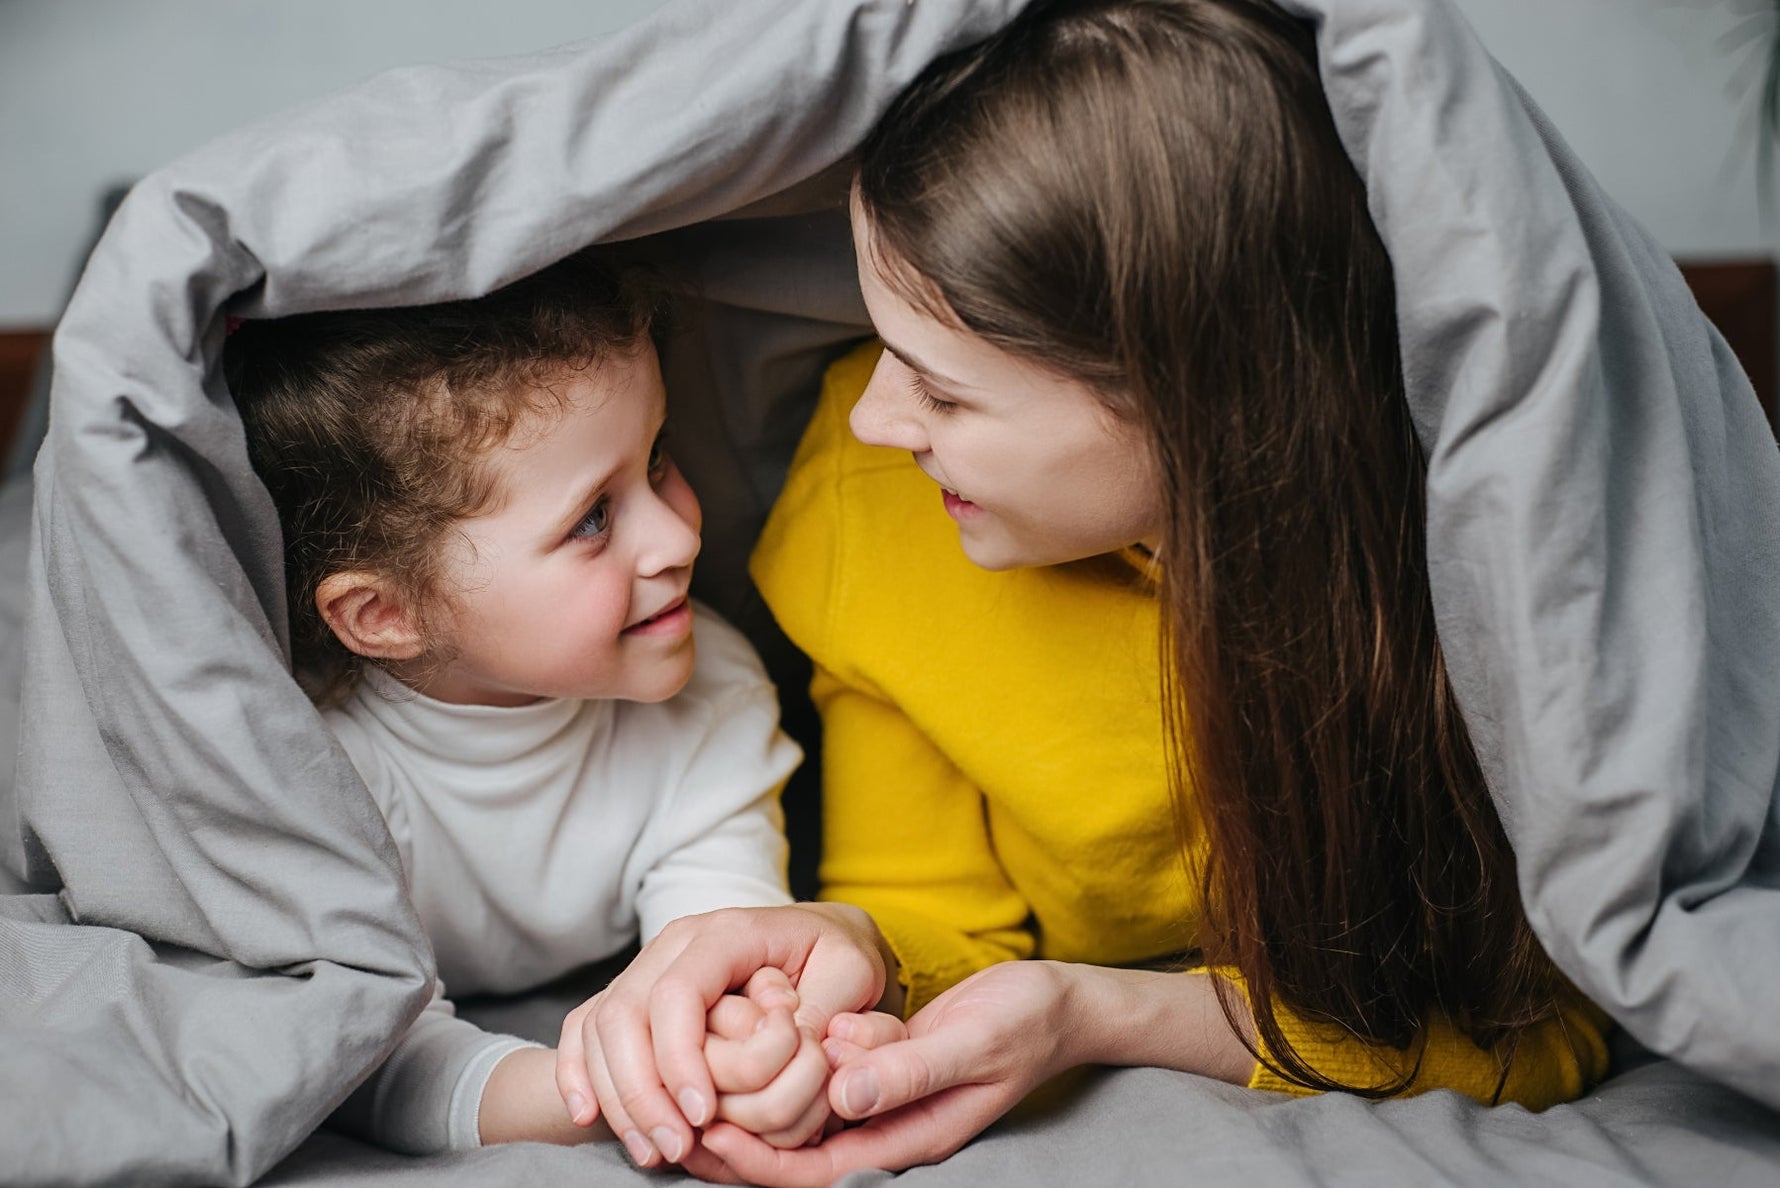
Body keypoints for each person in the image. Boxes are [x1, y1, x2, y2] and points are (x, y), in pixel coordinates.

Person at [552, 1, 1614, 1181]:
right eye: (877, 341)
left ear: (1187, 405)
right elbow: (932, 913)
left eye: (944, 393)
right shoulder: (866, 504)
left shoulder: (1467, 575)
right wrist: (835, 946)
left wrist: (1105, 1013)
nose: (870, 416)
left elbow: (1542, 1028)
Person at [225, 251, 823, 1159]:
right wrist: (593, 1090)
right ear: (387, 614)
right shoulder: (318, 772)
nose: (676, 536)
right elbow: (359, 1052)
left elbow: (717, 940)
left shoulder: (711, 688)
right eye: (592, 517)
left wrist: (741, 1044)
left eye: (658, 458)